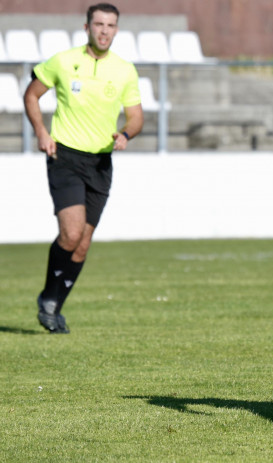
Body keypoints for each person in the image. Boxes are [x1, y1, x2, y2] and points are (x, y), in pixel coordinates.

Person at [24, 3, 143, 334]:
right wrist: (42, 132)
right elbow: (31, 95)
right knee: (71, 233)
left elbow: (136, 116)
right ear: (87, 27)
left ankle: (54, 306)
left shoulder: (124, 70)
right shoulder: (64, 61)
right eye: (99, 24)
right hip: (65, 157)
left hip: (101, 162)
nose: (105, 30)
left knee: (84, 243)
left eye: (111, 25)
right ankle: (48, 297)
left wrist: (126, 133)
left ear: (117, 30)